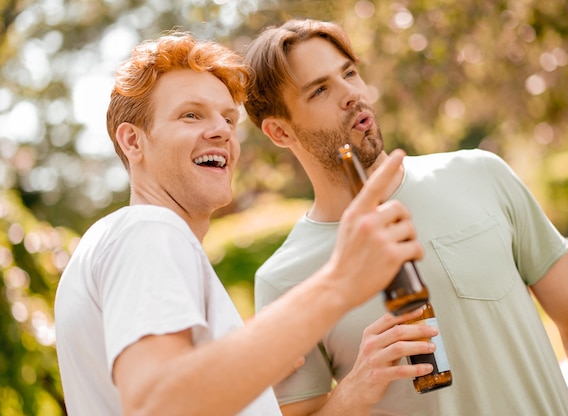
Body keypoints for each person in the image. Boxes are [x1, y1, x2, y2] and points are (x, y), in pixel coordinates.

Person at [244, 19, 568, 416]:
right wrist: (352, 392)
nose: (352, 94)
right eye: (320, 90)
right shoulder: (282, 281)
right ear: (279, 132)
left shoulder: (480, 174)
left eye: (350, 73)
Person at [53, 30, 435, 416]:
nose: (222, 130)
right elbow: (157, 404)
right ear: (133, 142)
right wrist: (340, 281)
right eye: (191, 114)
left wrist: (263, 364)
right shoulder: (148, 231)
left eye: (229, 119)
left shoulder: (114, 242)